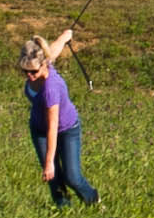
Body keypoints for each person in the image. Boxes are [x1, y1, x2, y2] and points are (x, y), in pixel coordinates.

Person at [20, 30, 99, 206]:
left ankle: (93, 201)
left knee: (72, 177)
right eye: (24, 71)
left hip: (66, 129)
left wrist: (49, 163)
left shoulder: (51, 89)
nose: (29, 76)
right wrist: (65, 36)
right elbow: (54, 48)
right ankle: (63, 214)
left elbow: (53, 126)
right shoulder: (45, 59)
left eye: (33, 71)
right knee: (54, 180)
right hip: (39, 129)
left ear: (43, 65)